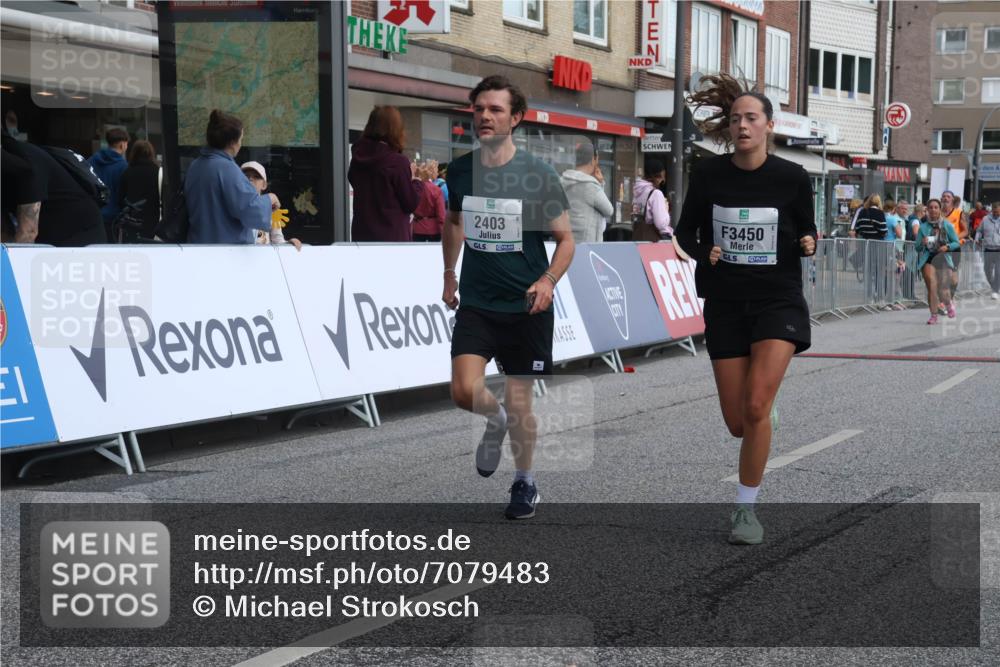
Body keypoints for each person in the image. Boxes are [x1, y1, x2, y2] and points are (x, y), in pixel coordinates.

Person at [675, 73, 817, 546]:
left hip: (778, 299)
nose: (742, 126)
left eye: (751, 118)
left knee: (755, 404)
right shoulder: (709, 175)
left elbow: (807, 227)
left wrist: (808, 240)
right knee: (739, 423)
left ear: (769, 125)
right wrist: (705, 252)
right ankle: (761, 418)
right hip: (726, 301)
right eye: (736, 119)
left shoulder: (792, 177)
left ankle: (745, 510)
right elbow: (685, 232)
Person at [442, 75, 574, 520]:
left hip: (525, 305)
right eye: (479, 108)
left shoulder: (538, 175)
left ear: (515, 118)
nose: (484, 116)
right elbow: (454, 222)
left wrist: (548, 280)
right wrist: (449, 273)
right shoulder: (460, 171)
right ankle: (493, 419)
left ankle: (525, 482)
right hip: (478, 302)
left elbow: (566, 241)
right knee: (463, 390)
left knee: (520, 403)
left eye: (495, 109)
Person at [185, 110, 277, 244]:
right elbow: (250, 210)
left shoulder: (196, 165)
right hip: (226, 249)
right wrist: (270, 199)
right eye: (241, 139)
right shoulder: (227, 169)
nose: (240, 144)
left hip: (197, 245)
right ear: (233, 142)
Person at [1, 133, 105, 246]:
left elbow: (28, 233)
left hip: (80, 235)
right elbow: (5, 232)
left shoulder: (27, 164)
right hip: (50, 233)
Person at [348, 106, 424, 242]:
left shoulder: (357, 158)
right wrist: (417, 179)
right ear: (396, 130)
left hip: (362, 236)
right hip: (392, 239)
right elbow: (410, 203)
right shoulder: (397, 162)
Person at [915, 198, 960, 323]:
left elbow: (956, 243)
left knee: (943, 289)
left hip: (943, 257)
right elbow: (917, 247)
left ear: (940, 209)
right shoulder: (923, 227)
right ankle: (933, 315)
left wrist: (947, 247)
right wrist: (922, 243)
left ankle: (948, 304)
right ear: (927, 210)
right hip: (929, 258)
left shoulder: (947, 225)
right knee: (932, 287)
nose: (933, 210)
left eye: (936, 207)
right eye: (930, 207)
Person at [560, 139, 614, 243]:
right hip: (587, 244)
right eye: (597, 159)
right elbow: (609, 210)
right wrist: (600, 183)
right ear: (593, 160)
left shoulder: (562, 181)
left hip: (566, 242)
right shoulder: (590, 186)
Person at [240, 160, 302, 250]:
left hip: (264, 257)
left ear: (264, 185)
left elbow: (278, 241)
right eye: (246, 176)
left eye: (256, 177)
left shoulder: (272, 208)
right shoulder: (234, 205)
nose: (250, 179)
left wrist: (289, 243)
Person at [88, 128, 130, 231]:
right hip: (114, 219)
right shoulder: (124, 166)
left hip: (93, 215)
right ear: (122, 145)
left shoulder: (91, 161)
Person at [118, 140, 161, 240]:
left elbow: (120, 198)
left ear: (134, 153)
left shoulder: (127, 172)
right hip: (153, 219)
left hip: (132, 220)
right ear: (151, 153)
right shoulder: (158, 171)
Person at [632, 158, 672, 242]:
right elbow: (661, 224)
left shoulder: (637, 190)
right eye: (662, 176)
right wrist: (666, 209)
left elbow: (636, 215)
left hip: (639, 237)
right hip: (655, 241)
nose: (663, 180)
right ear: (656, 176)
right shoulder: (656, 193)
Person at [412, 160, 446, 242]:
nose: (437, 174)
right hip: (433, 230)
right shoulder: (436, 190)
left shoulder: (414, 187)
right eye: (436, 171)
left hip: (416, 228)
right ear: (431, 172)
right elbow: (441, 216)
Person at [974, 201, 1000, 299]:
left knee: (998, 271)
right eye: (994, 212)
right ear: (992, 210)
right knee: (987, 271)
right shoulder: (985, 219)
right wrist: (977, 238)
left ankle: (995, 290)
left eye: (998, 212)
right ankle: (995, 286)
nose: (996, 214)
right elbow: (979, 231)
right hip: (988, 249)